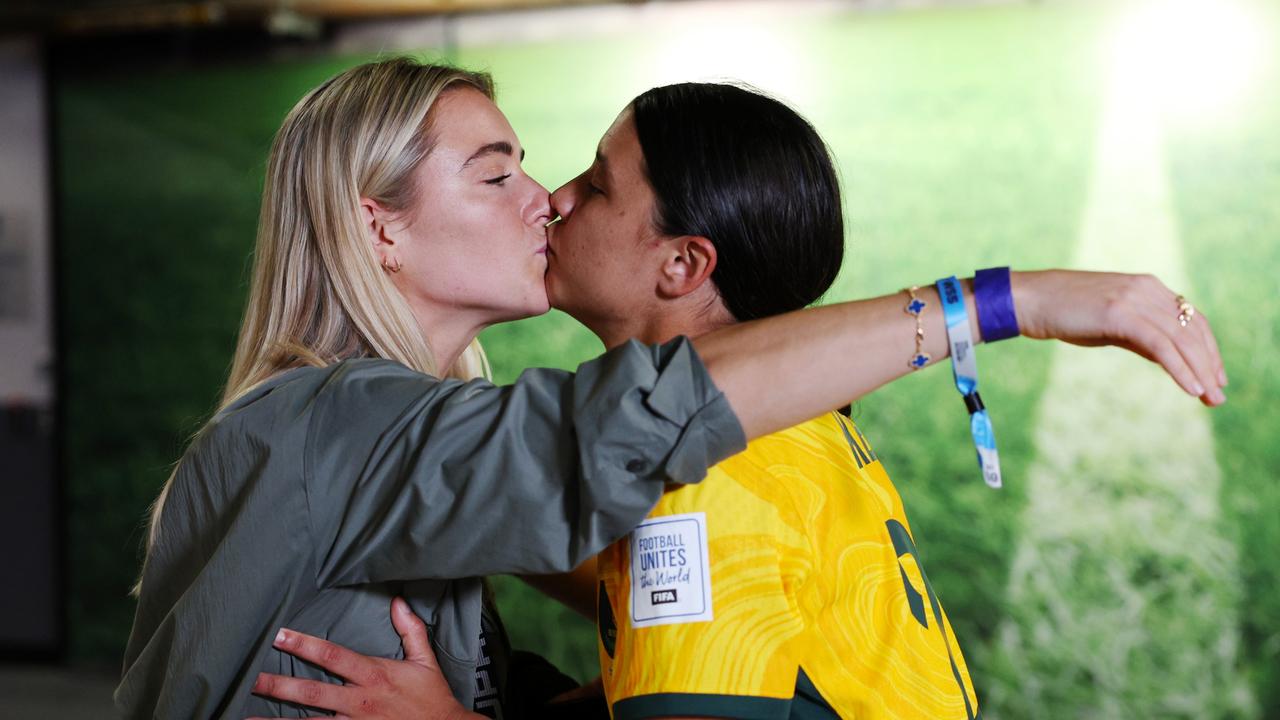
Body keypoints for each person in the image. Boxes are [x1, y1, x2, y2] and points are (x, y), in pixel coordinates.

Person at [117, 57, 1224, 719]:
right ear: (378, 227)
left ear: (683, 265)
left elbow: (617, 448)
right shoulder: (339, 423)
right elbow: (599, 436)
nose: (545, 199)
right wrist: (996, 302)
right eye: (495, 173)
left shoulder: (706, 479)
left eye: (575, 180)